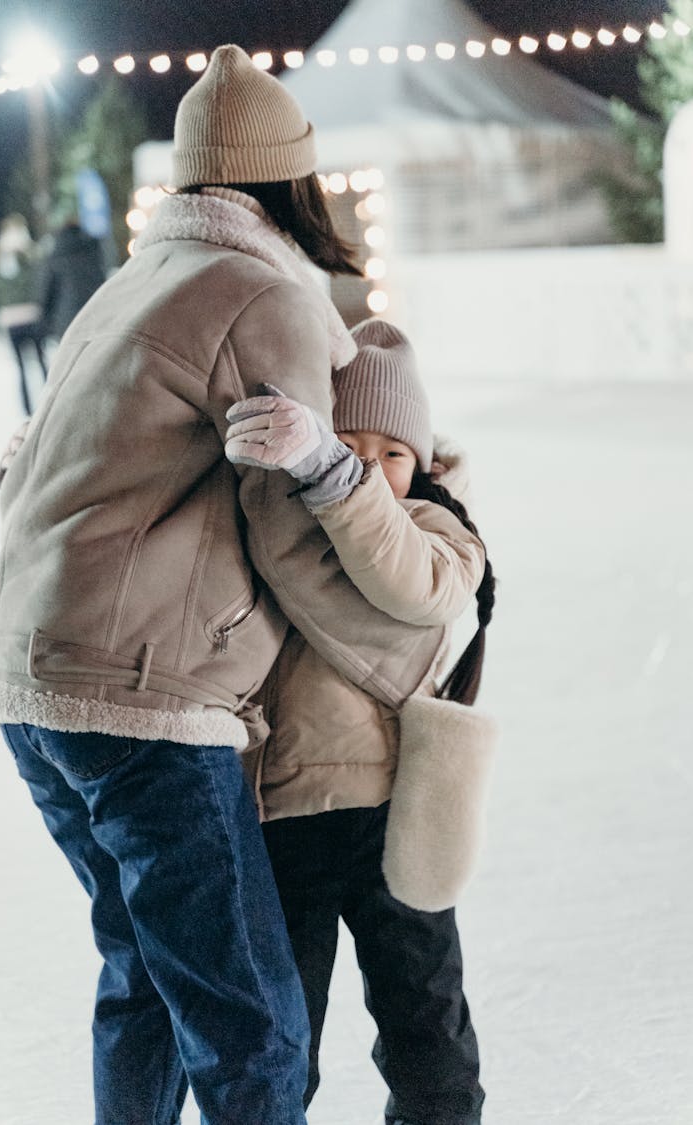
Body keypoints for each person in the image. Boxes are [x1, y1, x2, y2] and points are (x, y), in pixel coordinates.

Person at [0, 46, 460, 1125]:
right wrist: (412, 654)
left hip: (30, 688)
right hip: (144, 703)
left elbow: (31, 482)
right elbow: (296, 544)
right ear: (294, 179)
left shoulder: (128, 282)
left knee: (144, 978)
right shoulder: (262, 295)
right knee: (253, 1030)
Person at [225, 319, 495, 1125]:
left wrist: (337, 474)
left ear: (428, 464)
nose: (370, 470)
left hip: (393, 814)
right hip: (282, 815)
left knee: (426, 1026)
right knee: (281, 1036)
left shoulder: (443, 532)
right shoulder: (278, 520)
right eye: (349, 443)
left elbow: (416, 584)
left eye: (393, 455)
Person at [0, 212, 48, 413]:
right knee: (41, 362)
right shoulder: (30, 255)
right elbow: (40, 281)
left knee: (23, 367)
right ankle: (46, 403)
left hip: (11, 319)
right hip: (32, 315)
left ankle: (28, 408)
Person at [39, 218, 106, 341]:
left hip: (67, 320)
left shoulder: (55, 258)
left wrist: (46, 321)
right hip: (94, 315)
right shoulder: (92, 254)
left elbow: (47, 292)